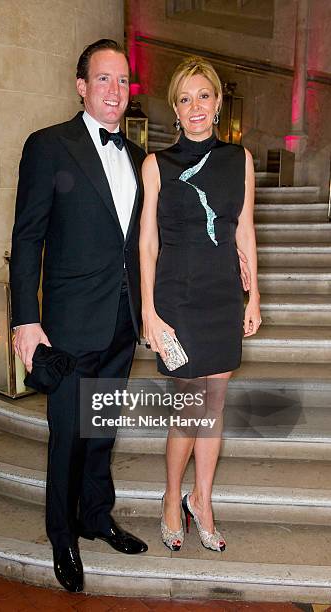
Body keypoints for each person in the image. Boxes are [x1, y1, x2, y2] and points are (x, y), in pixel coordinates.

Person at [9, 39, 148, 593]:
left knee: (102, 429)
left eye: (123, 80)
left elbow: (144, 244)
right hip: (67, 324)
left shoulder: (139, 157)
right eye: (104, 79)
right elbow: (27, 238)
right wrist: (26, 318)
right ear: (82, 86)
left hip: (121, 320)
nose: (115, 91)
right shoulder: (49, 146)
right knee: (67, 433)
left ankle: (96, 515)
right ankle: (62, 533)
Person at [139, 56, 260, 553]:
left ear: (217, 103)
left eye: (203, 96)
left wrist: (255, 296)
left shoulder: (241, 160)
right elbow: (147, 243)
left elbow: (244, 228)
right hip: (178, 297)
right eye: (184, 98)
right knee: (188, 411)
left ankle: (201, 500)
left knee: (214, 409)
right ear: (175, 107)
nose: (195, 107)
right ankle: (172, 498)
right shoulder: (156, 164)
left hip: (222, 295)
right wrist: (148, 310)